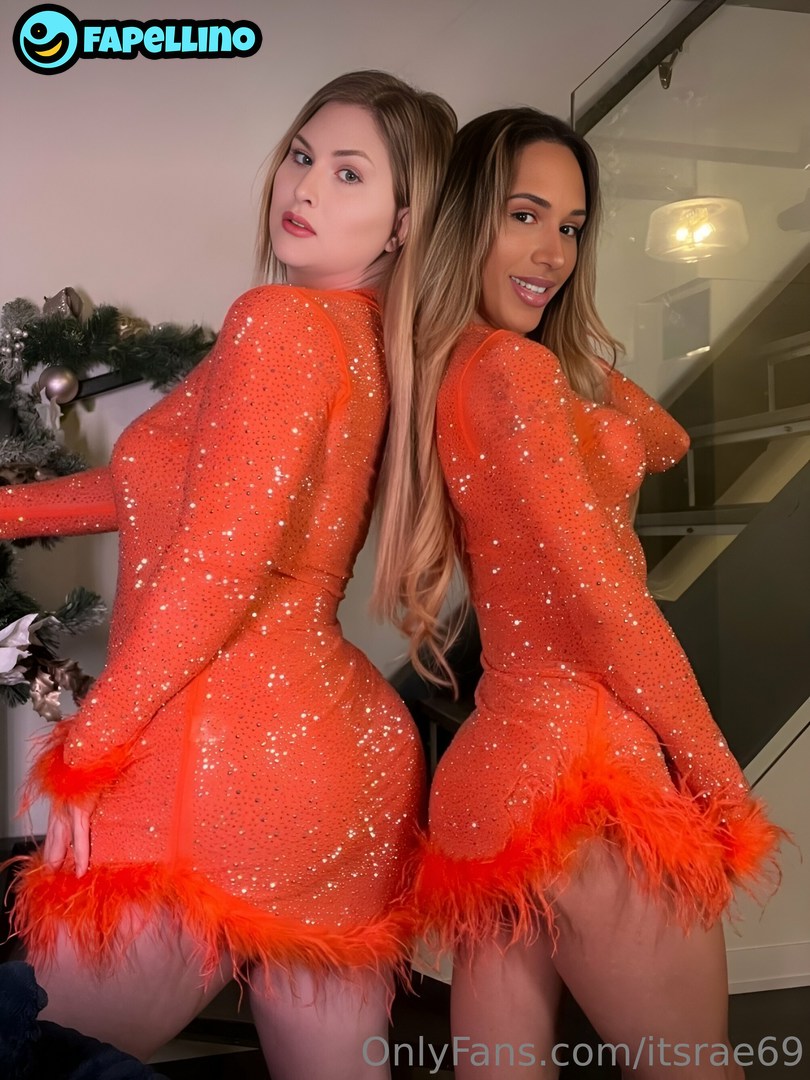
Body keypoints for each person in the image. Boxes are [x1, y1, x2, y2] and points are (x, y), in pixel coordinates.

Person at [1, 70, 455, 1078]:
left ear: (403, 224)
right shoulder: (359, 339)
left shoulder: (279, 323)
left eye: (349, 174)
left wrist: (91, 748)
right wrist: (10, 509)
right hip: (339, 761)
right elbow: (154, 490)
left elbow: (216, 562)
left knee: (27, 1053)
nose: (306, 187)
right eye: (302, 155)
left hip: (217, 757)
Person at [374, 108, 782, 1078]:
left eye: (570, 226)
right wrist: (720, 781)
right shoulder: (514, 374)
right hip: (588, 777)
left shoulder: (456, 369)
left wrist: (579, 370)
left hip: (494, 777)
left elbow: (667, 440)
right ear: (464, 220)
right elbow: (608, 604)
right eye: (524, 216)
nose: (552, 253)